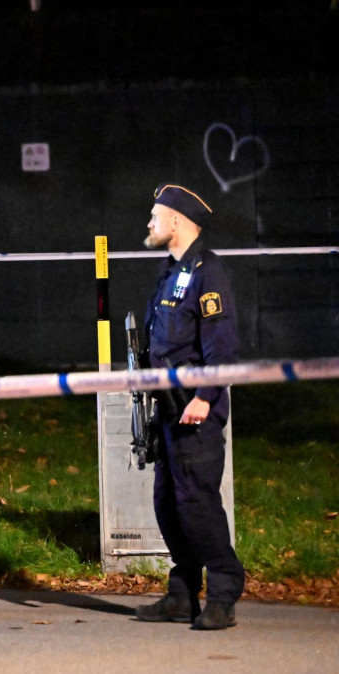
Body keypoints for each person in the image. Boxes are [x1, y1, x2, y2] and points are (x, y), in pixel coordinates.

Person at [134, 183, 245, 630]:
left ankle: (224, 591)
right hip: (167, 410)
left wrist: (204, 397)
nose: (149, 223)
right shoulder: (170, 272)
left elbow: (223, 349)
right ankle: (182, 594)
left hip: (194, 410)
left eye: (155, 215)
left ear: (177, 221)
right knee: (168, 503)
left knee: (197, 503)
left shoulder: (207, 272)